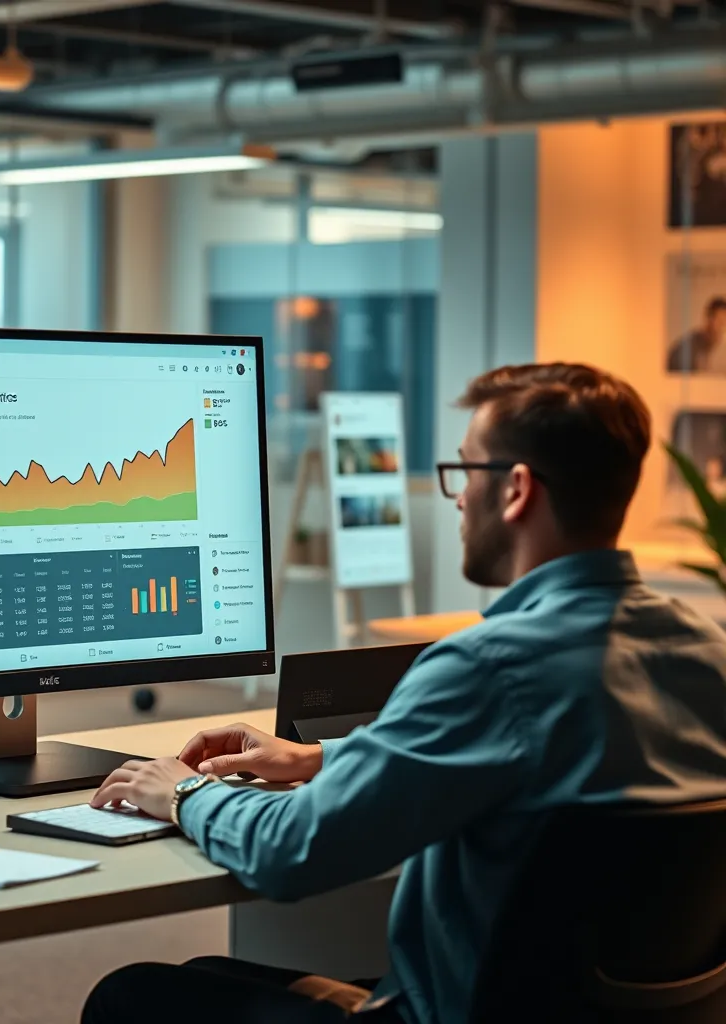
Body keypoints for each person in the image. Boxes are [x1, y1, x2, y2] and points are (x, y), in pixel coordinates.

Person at [83, 363, 726, 1024]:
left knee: (131, 997)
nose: (456, 497)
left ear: (515, 490)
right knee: (206, 976)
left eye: (464, 472)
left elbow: (291, 852)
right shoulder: (708, 653)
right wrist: (327, 759)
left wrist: (184, 792)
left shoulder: (487, 669)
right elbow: (543, 765)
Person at [667, 296, 726, 372]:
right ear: (708, 319)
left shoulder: (719, 352)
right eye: (720, 321)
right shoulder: (685, 349)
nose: (721, 328)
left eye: (724, 323)